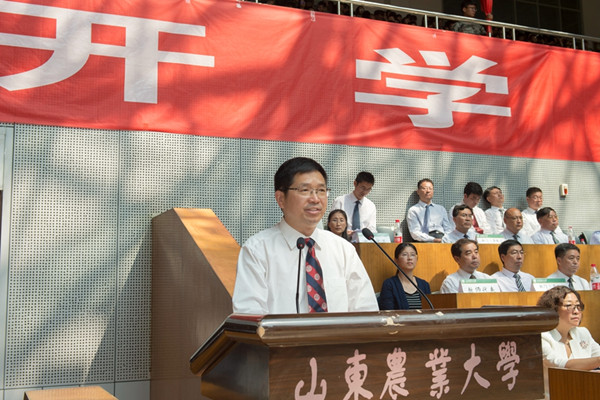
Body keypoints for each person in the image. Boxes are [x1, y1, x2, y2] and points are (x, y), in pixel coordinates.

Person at [232, 157, 378, 314]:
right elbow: (250, 316)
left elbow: (366, 312)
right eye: (305, 190)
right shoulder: (257, 251)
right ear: (281, 199)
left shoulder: (344, 250)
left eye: (321, 190)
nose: (315, 199)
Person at [537, 286, 600, 369]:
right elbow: (559, 365)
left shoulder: (583, 333)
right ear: (553, 309)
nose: (576, 311)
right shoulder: (542, 337)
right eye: (569, 305)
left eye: (578, 305)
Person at [378, 243, 431, 310]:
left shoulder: (425, 285)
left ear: (416, 259)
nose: (409, 258)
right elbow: (388, 312)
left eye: (412, 255)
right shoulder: (389, 284)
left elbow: (430, 311)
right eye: (405, 254)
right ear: (396, 260)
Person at [331, 171, 376, 240]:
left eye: (368, 189)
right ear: (355, 183)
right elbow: (332, 225)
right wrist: (344, 233)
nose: (364, 192)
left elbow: (372, 229)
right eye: (363, 188)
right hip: (342, 239)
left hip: (363, 242)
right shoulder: (340, 201)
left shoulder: (371, 206)